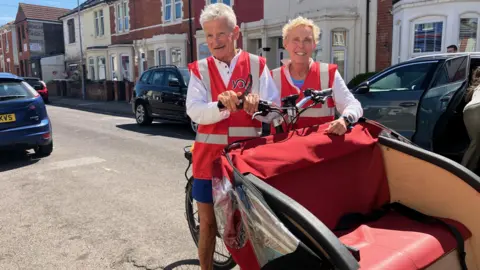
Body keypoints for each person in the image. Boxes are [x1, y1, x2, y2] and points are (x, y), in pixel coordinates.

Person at [185, 3, 280, 269]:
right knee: (208, 224)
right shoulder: (200, 69)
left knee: (251, 226)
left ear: (235, 32)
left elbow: (274, 111)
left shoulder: (256, 65)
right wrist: (220, 105)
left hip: (245, 163)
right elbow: (193, 111)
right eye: (209, 36)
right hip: (208, 162)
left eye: (221, 34)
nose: (215, 41)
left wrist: (258, 106)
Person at [271, 16, 363, 135]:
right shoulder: (273, 77)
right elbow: (263, 116)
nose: (301, 45)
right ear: (285, 43)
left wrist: (344, 120)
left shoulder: (328, 73)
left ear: (314, 44)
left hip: (319, 150)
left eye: (307, 40)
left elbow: (353, 105)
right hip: (283, 150)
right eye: (295, 39)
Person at [461, 67, 480, 174]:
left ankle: (466, 172)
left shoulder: (474, 87)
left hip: (469, 109)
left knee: (475, 144)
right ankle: (465, 173)